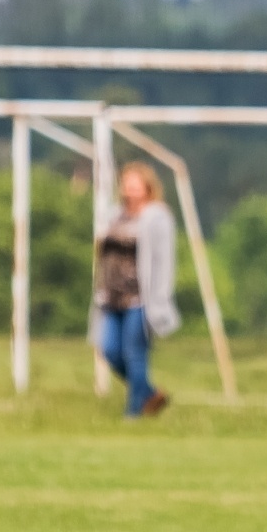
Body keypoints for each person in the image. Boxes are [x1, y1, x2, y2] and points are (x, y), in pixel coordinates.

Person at [91, 161, 179, 418]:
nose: (130, 191)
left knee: (134, 354)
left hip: (141, 299)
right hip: (111, 296)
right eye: (127, 185)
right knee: (109, 350)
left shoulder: (157, 216)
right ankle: (149, 393)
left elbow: (164, 259)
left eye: (135, 186)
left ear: (147, 188)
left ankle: (134, 412)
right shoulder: (114, 215)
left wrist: (161, 298)